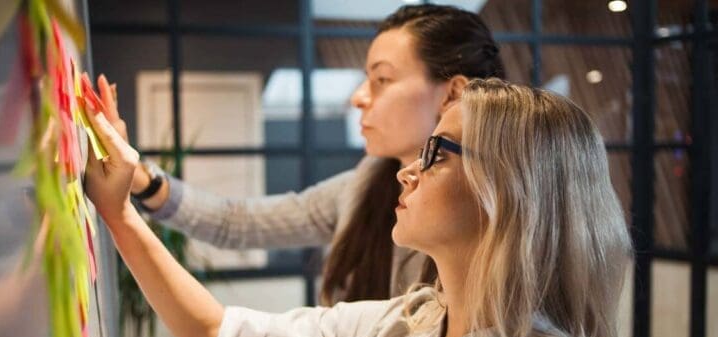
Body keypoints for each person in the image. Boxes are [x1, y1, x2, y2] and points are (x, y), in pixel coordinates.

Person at [81, 78, 632, 337]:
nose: (406, 172)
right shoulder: (388, 328)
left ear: (512, 190)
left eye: (436, 154)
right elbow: (212, 333)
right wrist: (121, 213)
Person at [97, 4, 505, 308]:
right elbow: (240, 222)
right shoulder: (370, 181)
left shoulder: (497, 221)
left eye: (381, 80)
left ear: (452, 93)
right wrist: (143, 180)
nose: (358, 97)